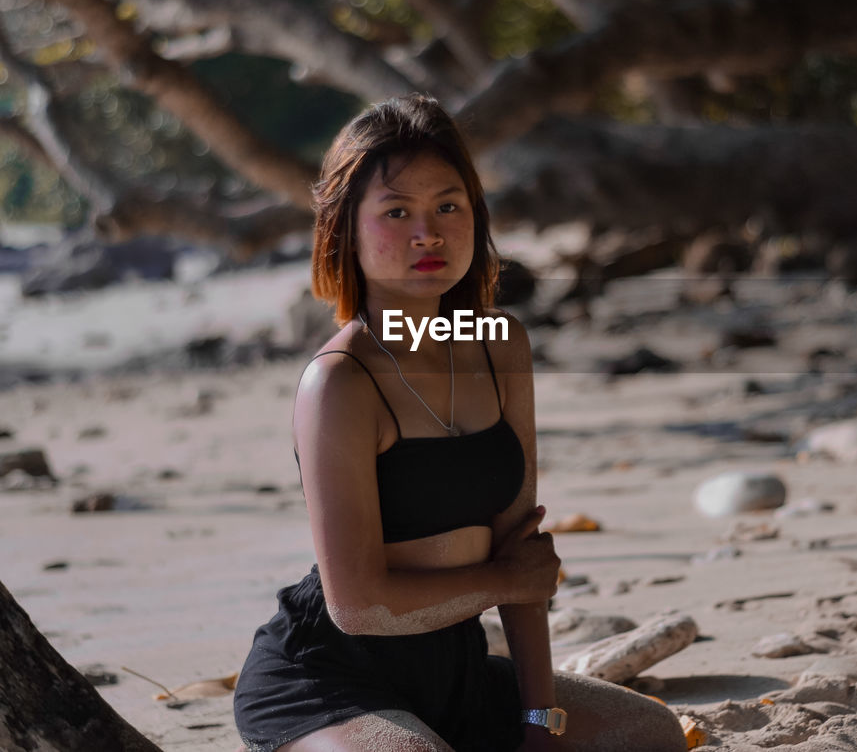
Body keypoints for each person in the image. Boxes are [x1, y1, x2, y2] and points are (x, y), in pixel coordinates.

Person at [233, 95, 688, 752]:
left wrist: (541, 722)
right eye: (397, 212)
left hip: (458, 667)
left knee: (649, 733)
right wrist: (503, 581)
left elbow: (520, 544)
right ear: (345, 231)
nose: (429, 233)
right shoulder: (338, 382)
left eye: (449, 205)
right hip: (331, 676)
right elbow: (357, 603)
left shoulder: (501, 346)